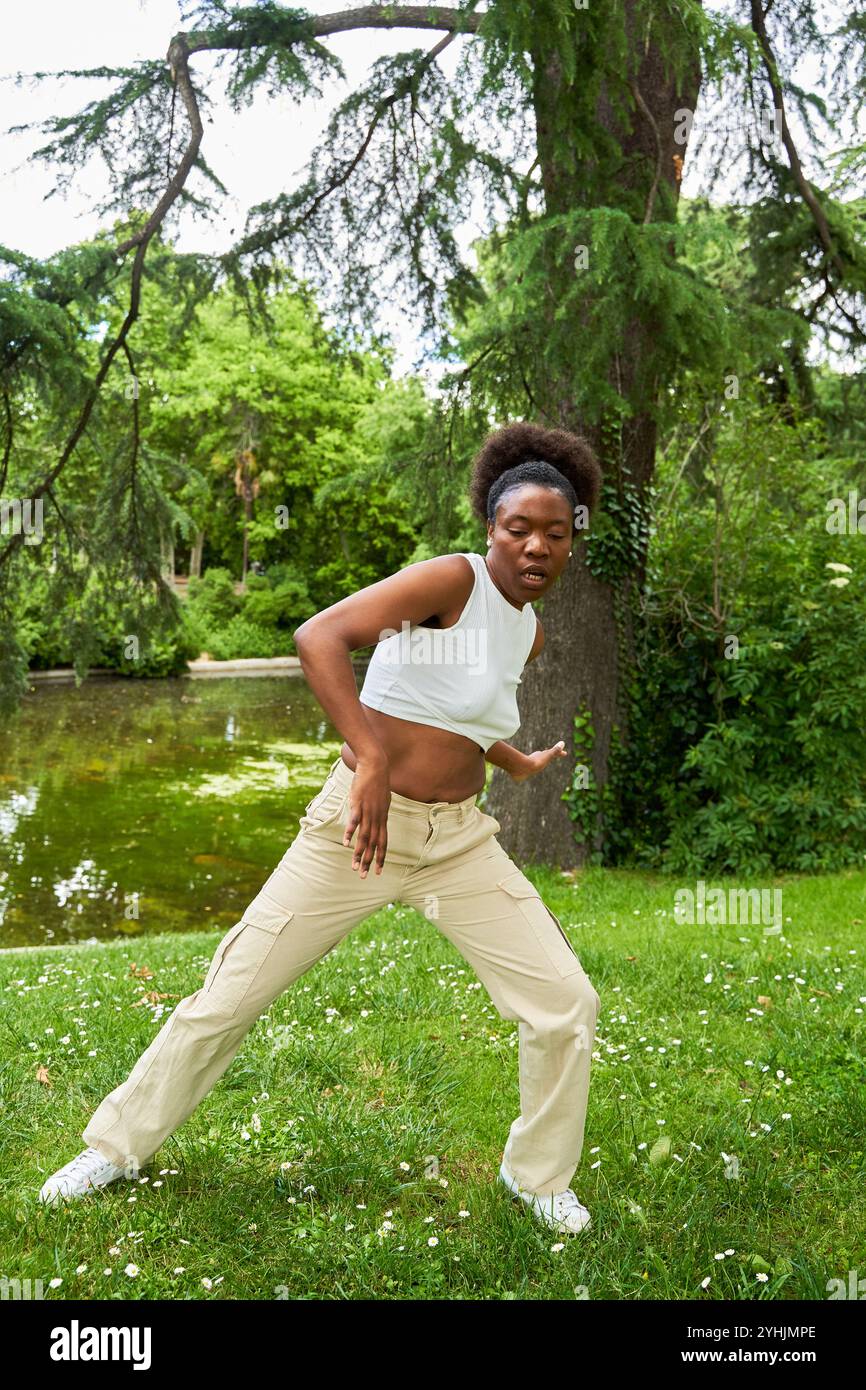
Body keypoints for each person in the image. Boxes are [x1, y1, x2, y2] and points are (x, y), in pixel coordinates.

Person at [39, 420, 604, 1237]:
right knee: (230, 995)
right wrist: (369, 760)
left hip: (457, 845)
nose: (536, 546)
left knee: (564, 1002)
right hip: (360, 831)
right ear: (491, 527)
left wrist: (510, 761)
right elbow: (320, 637)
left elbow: (461, 709)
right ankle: (116, 1147)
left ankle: (537, 1176)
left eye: (556, 532)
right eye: (519, 528)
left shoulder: (529, 628)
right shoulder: (449, 580)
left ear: (572, 542)